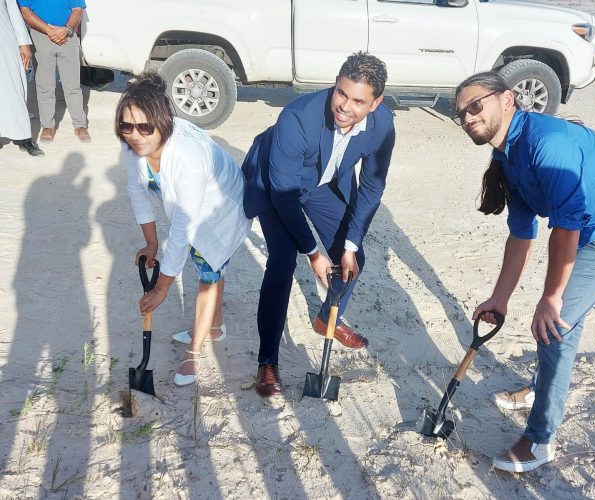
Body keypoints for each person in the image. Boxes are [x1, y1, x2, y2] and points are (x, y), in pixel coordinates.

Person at [453, 72, 595, 472]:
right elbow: (521, 233)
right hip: (584, 223)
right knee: (561, 322)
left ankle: (540, 439)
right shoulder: (507, 154)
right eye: (460, 112)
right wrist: (500, 298)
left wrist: (551, 297)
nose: (467, 116)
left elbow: (566, 226)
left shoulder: (547, 143)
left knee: (554, 323)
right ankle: (543, 387)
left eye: (476, 104)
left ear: (507, 99)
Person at [242, 52, 395, 397]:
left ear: (376, 103)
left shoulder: (383, 124)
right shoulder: (297, 117)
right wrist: (312, 252)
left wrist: (351, 245)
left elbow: (372, 185)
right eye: (341, 93)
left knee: (353, 257)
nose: (344, 106)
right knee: (282, 261)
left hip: (322, 184)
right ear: (335, 85)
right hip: (276, 183)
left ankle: (327, 318)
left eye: (358, 101)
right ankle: (267, 362)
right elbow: (284, 194)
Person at [116, 73, 250, 387]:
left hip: (221, 210)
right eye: (126, 126)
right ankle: (215, 328)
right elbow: (137, 190)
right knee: (212, 271)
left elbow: (181, 229)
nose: (135, 135)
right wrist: (150, 243)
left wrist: (161, 288)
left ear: (163, 122)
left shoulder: (188, 158)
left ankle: (193, 351)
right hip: (193, 208)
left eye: (144, 127)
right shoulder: (132, 147)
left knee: (208, 273)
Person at [18, 0, 90, 143]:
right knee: (45, 85)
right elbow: (25, 11)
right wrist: (49, 30)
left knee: (72, 85)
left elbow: (78, 9)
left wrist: (67, 29)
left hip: (68, 36)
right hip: (40, 36)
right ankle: (47, 126)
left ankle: (80, 124)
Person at [0, 0, 43, 156]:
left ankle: (24, 138)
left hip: (4, 41)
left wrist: (23, 42)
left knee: (13, 88)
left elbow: (12, 7)